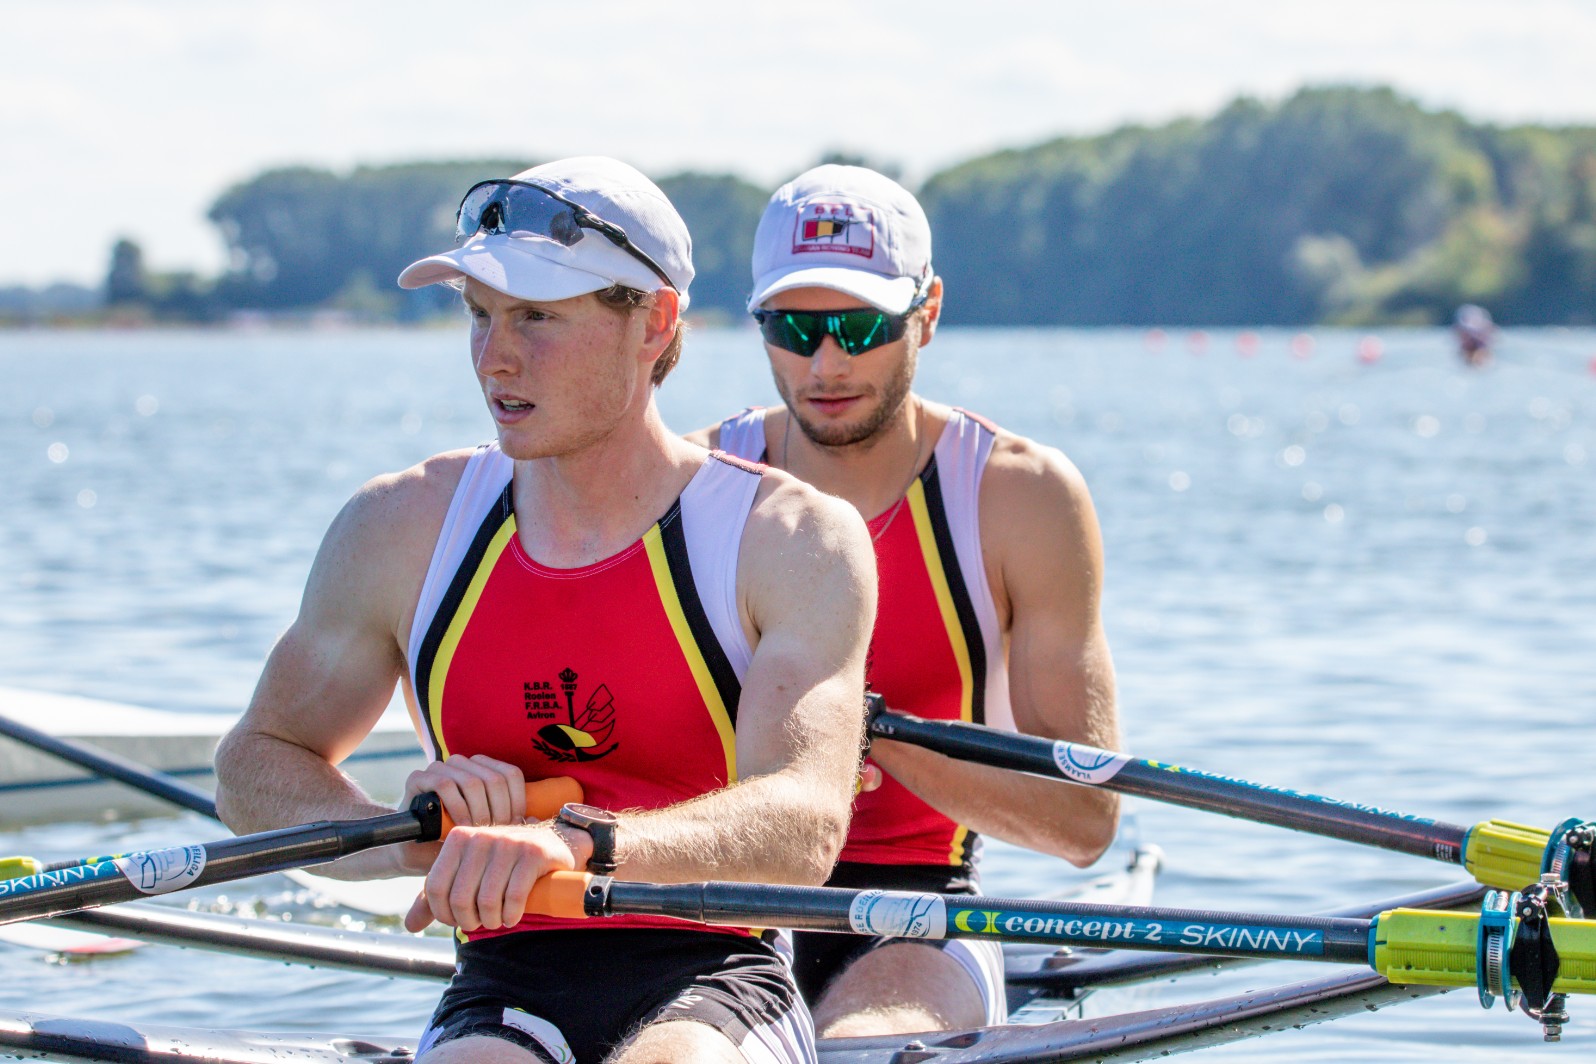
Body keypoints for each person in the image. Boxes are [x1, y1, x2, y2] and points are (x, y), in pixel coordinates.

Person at [214, 157, 877, 1064]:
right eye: (478, 313)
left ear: (655, 322)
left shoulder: (791, 538)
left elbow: (805, 824)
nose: (495, 356)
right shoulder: (400, 527)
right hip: (501, 980)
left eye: (536, 316)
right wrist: (407, 843)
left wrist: (577, 844)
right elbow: (252, 767)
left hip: (721, 974)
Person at [688, 165, 1121, 1038]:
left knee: (861, 1050)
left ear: (927, 313)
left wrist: (871, 733)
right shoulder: (694, 486)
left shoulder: (1017, 497)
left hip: (917, 910)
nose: (826, 362)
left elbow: (1085, 821)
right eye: (794, 328)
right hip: (715, 897)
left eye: (861, 326)